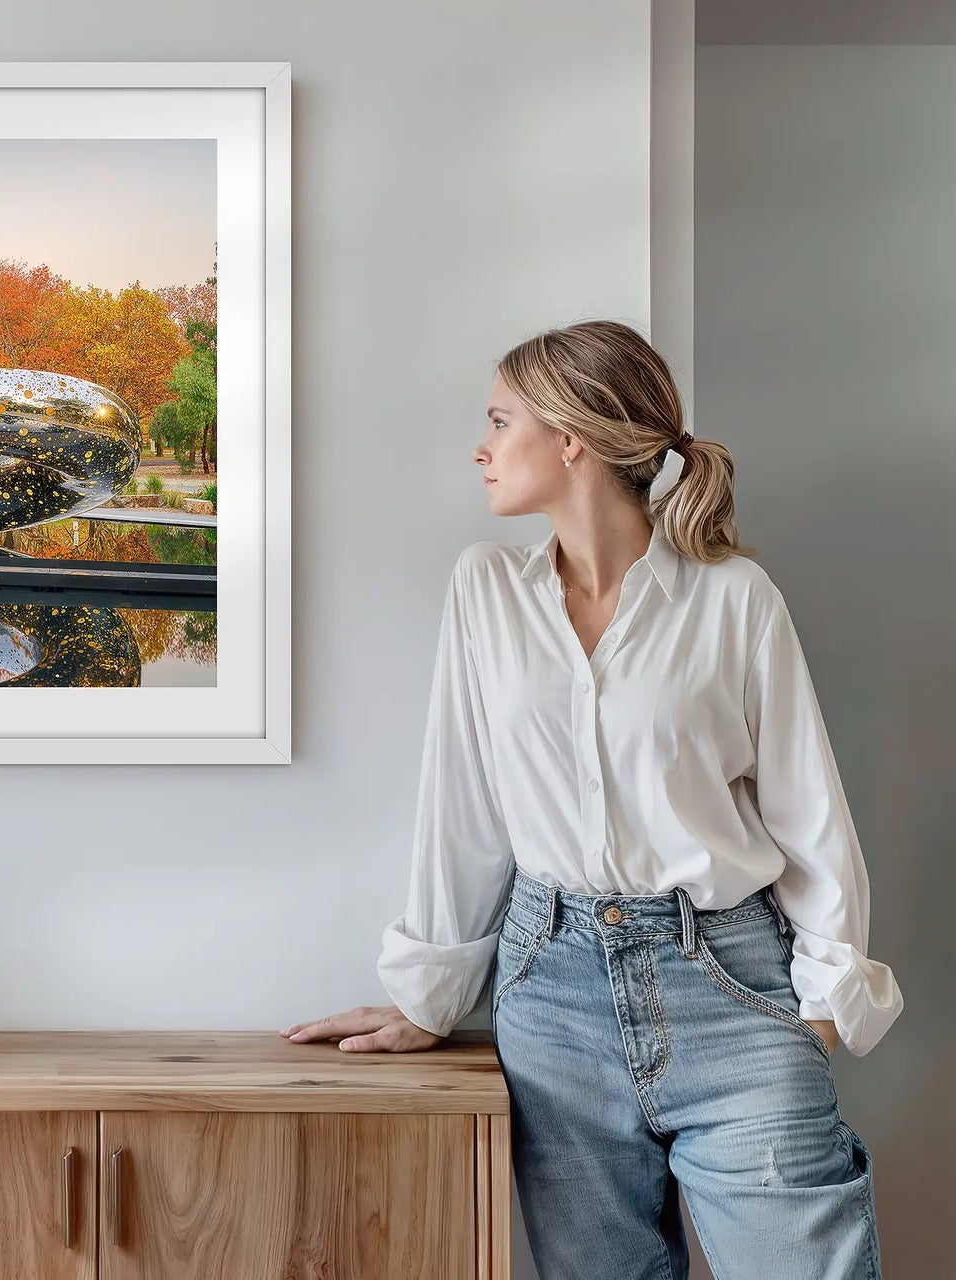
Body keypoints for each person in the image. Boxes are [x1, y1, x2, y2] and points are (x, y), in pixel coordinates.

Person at [280, 321, 902, 1279]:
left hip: (732, 987)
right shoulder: (485, 589)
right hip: (552, 1000)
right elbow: (465, 806)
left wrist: (821, 1007)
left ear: (570, 437)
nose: (481, 448)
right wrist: (430, 993)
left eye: (500, 421)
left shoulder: (734, 598)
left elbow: (807, 809)